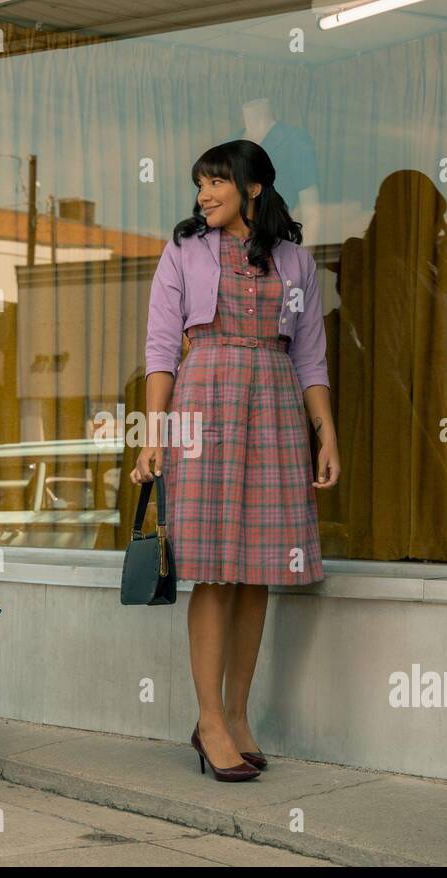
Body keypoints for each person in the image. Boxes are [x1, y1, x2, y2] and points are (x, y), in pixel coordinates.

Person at [132, 140, 340, 782]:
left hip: (276, 402)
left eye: (216, 182)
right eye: (199, 185)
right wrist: (153, 432)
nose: (204, 195)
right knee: (214, 570)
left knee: (258, 569)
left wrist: (325, 432)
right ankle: (208, 720)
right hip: (205, 398)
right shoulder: (184, 250)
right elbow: (163, 346)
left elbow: (309, 355)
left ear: (252, 187)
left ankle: (240, 715)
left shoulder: (296, 261)